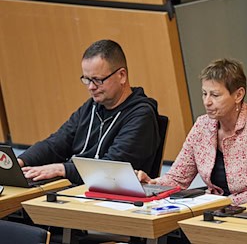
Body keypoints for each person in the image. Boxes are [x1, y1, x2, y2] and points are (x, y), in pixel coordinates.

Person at [137, 58, 247, 205]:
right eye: (204, 94)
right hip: (221, 211)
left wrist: (224, 203)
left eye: (215, 95)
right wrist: (152, 184)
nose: (207, 102)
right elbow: (178, 178)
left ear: (238, 94)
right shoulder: (202, 126)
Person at [18, 39, 160, 185]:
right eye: (86, 80)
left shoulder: (142, 115)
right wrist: (19, 162)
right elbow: (56, 143)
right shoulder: (91, 106)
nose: (91, 87)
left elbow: (111, 170)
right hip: (76, 187)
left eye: (97, 80)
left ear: (121, 75)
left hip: (107, 196)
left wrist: (62, 169)